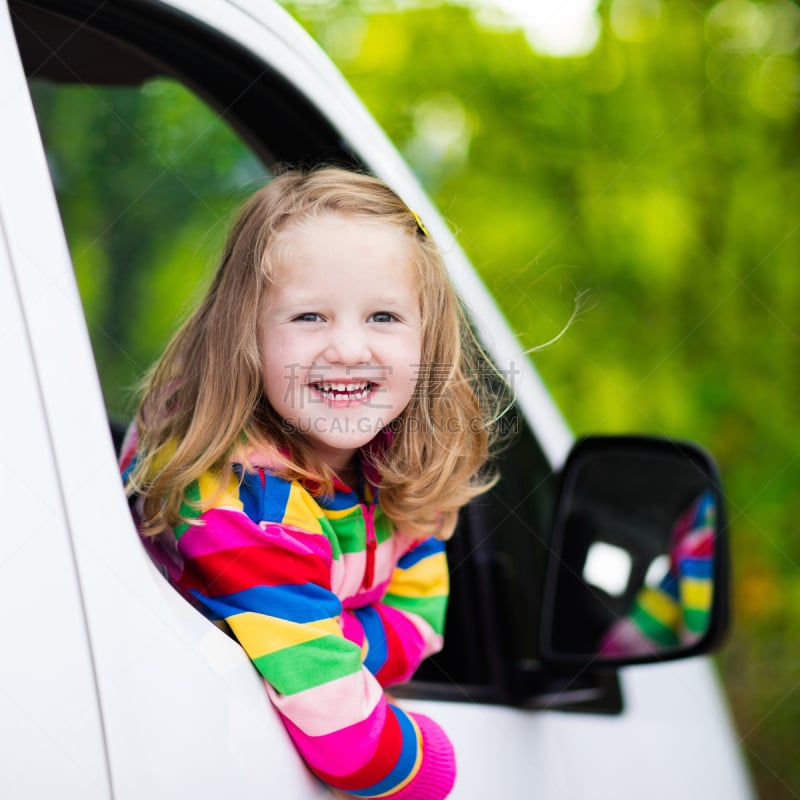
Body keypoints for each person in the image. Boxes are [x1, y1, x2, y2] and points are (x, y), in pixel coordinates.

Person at [120, 167, 508, 799]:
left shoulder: (395, 467)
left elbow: (421, 617)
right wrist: (428, 765)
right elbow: (347, 743)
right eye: (309, 316)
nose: (349, 348)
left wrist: (330, 638)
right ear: (245, 337)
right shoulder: (242, 506)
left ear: (427, 340)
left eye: (384, 316)